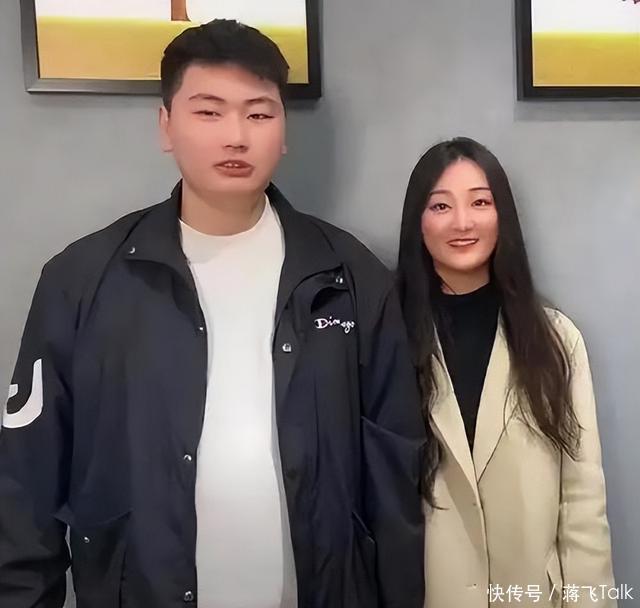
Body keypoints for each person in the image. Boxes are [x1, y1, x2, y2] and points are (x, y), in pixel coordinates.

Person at [0, 20, 425, 608]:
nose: (236, 136)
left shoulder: (349, 275)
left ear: (283, 131)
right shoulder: (82, 279)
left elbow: (395, 476)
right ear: (165, 126)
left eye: (259, 113)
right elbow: (25, 485)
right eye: (208, 112)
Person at [396, 137, 616, 607]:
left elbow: (582, 505)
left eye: (480, 202)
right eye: (440, 205)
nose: (462, 222)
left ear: (503, 217)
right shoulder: (386, 340)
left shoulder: (556, 341)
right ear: (417, 221)